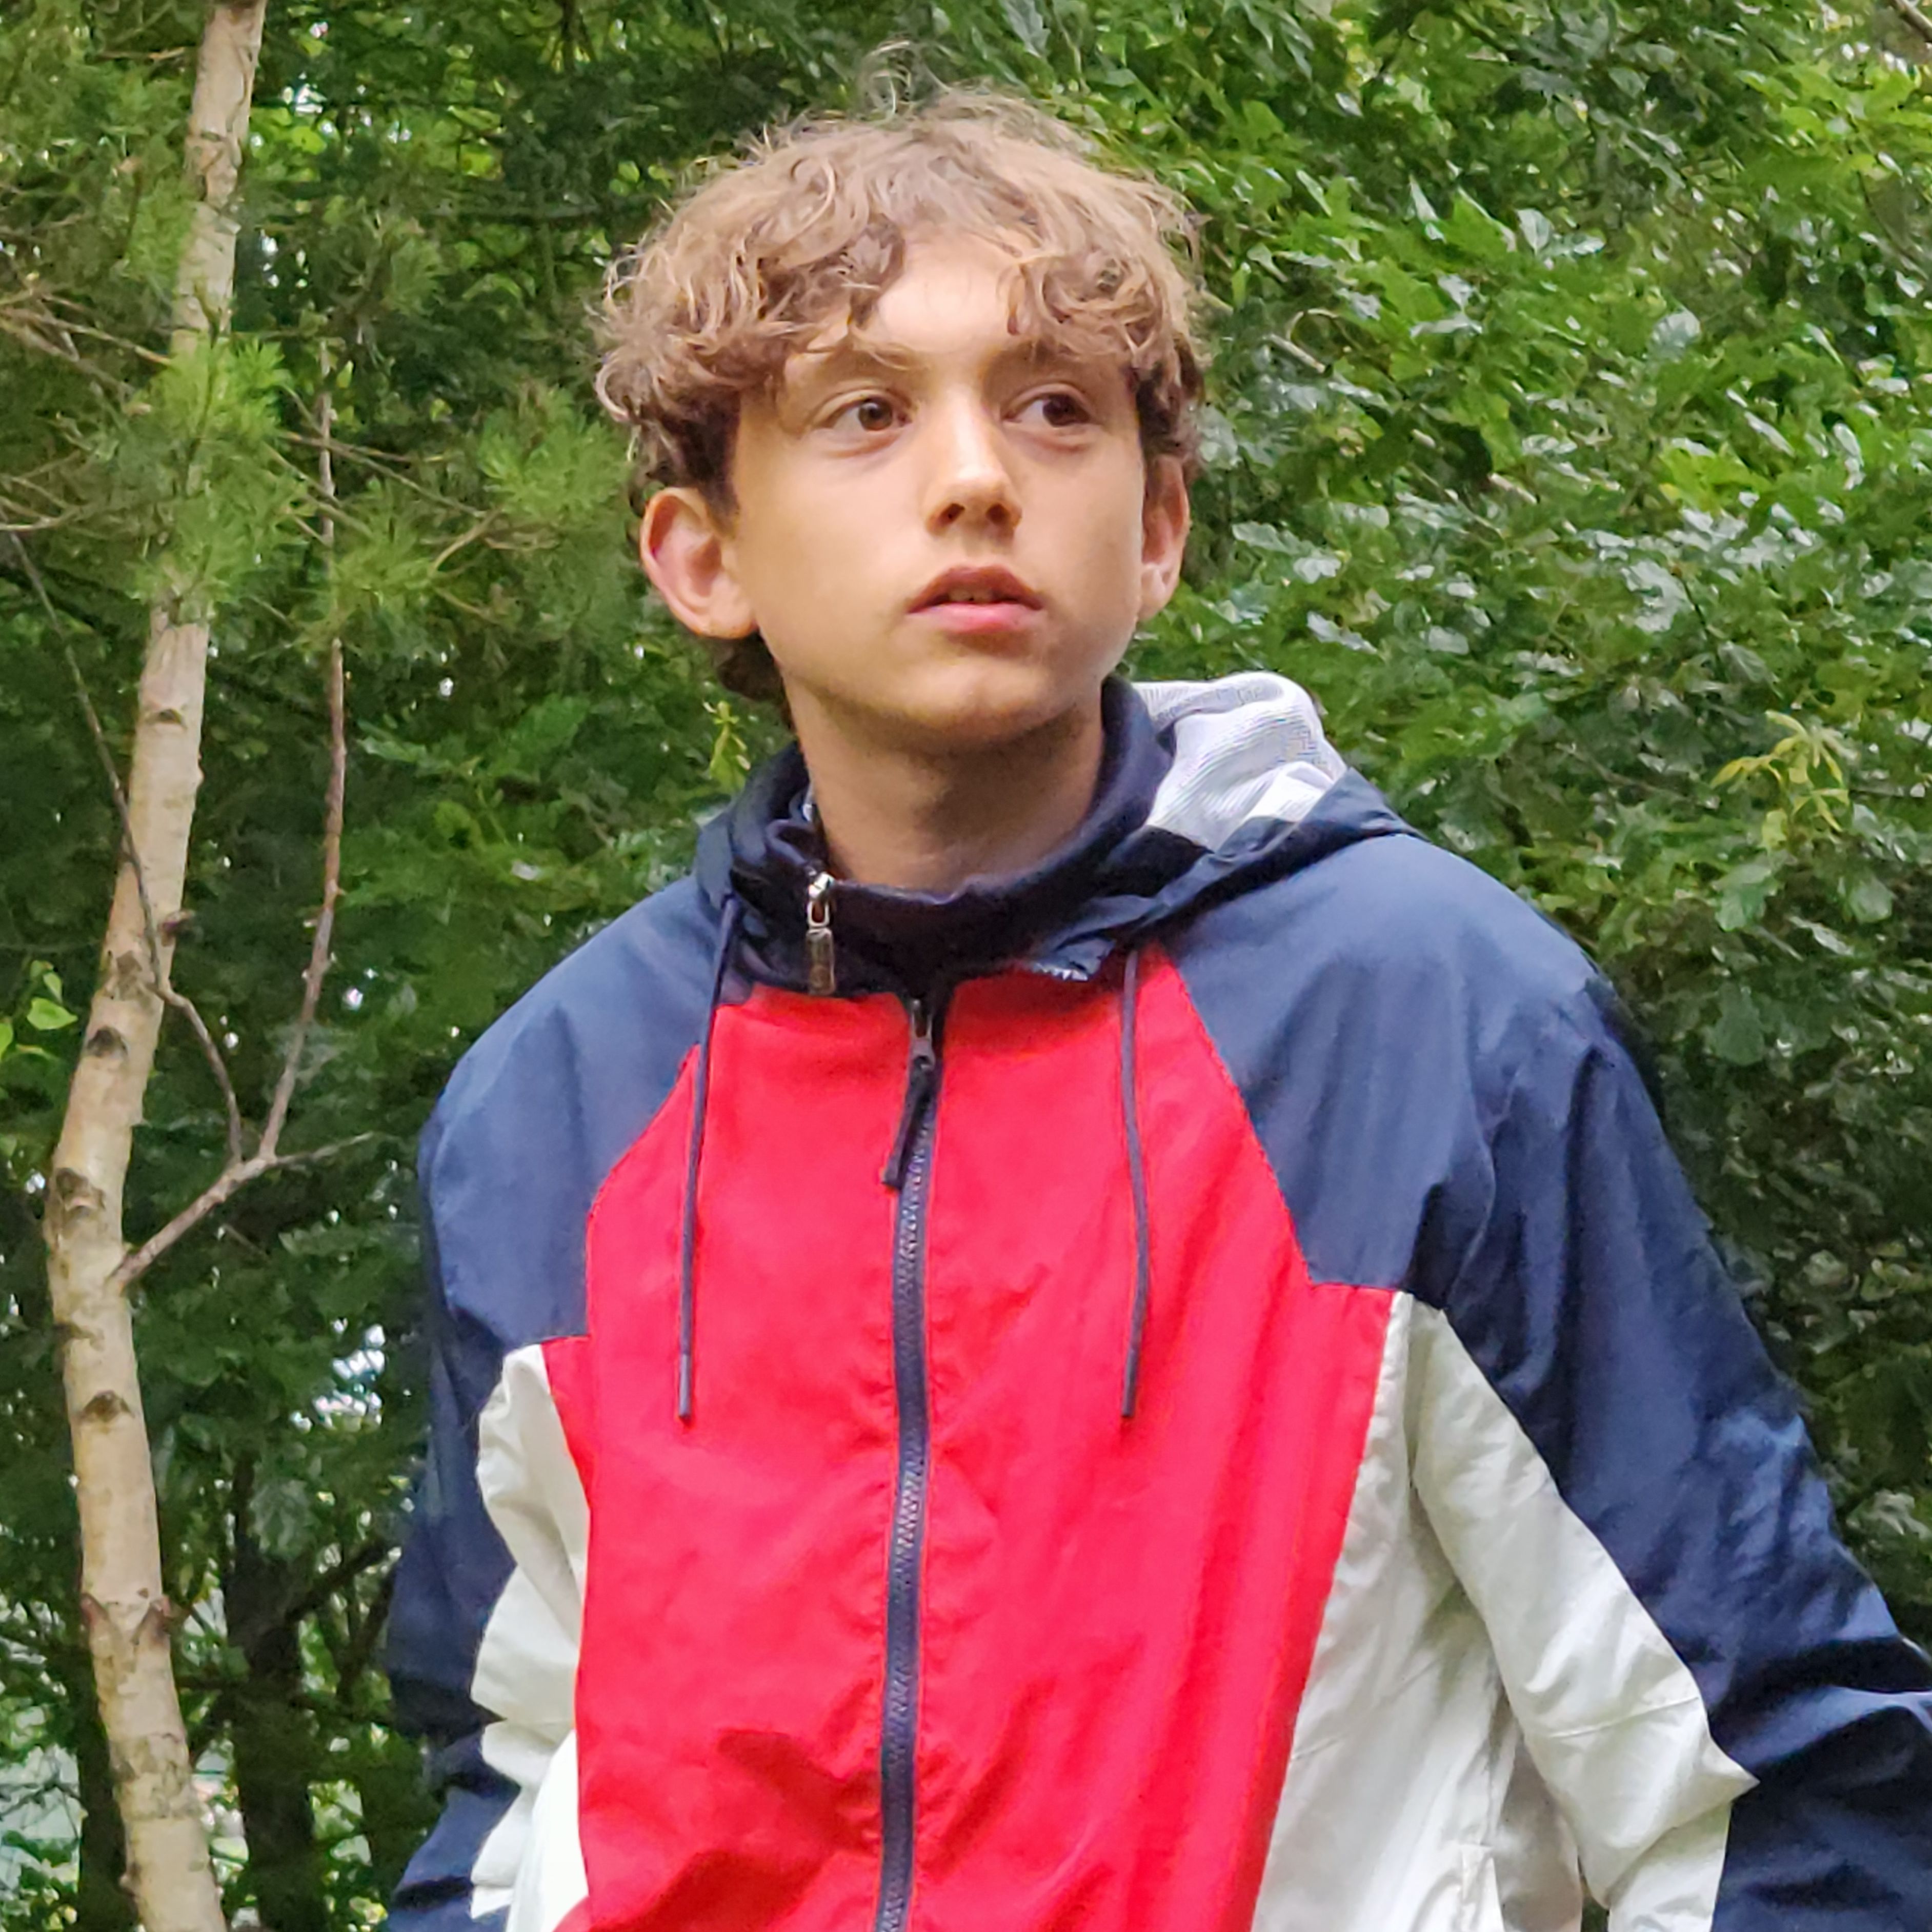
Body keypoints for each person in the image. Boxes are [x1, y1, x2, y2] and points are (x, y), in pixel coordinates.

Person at [383, 93, 1932, 1932]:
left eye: (1055, 406)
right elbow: (507, 1799)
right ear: (699, 554)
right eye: (867, 414)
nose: (977, 476)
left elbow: (1767, 1789)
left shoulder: (1432, 1026)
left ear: (1160, 527)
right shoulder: (554, 1112)